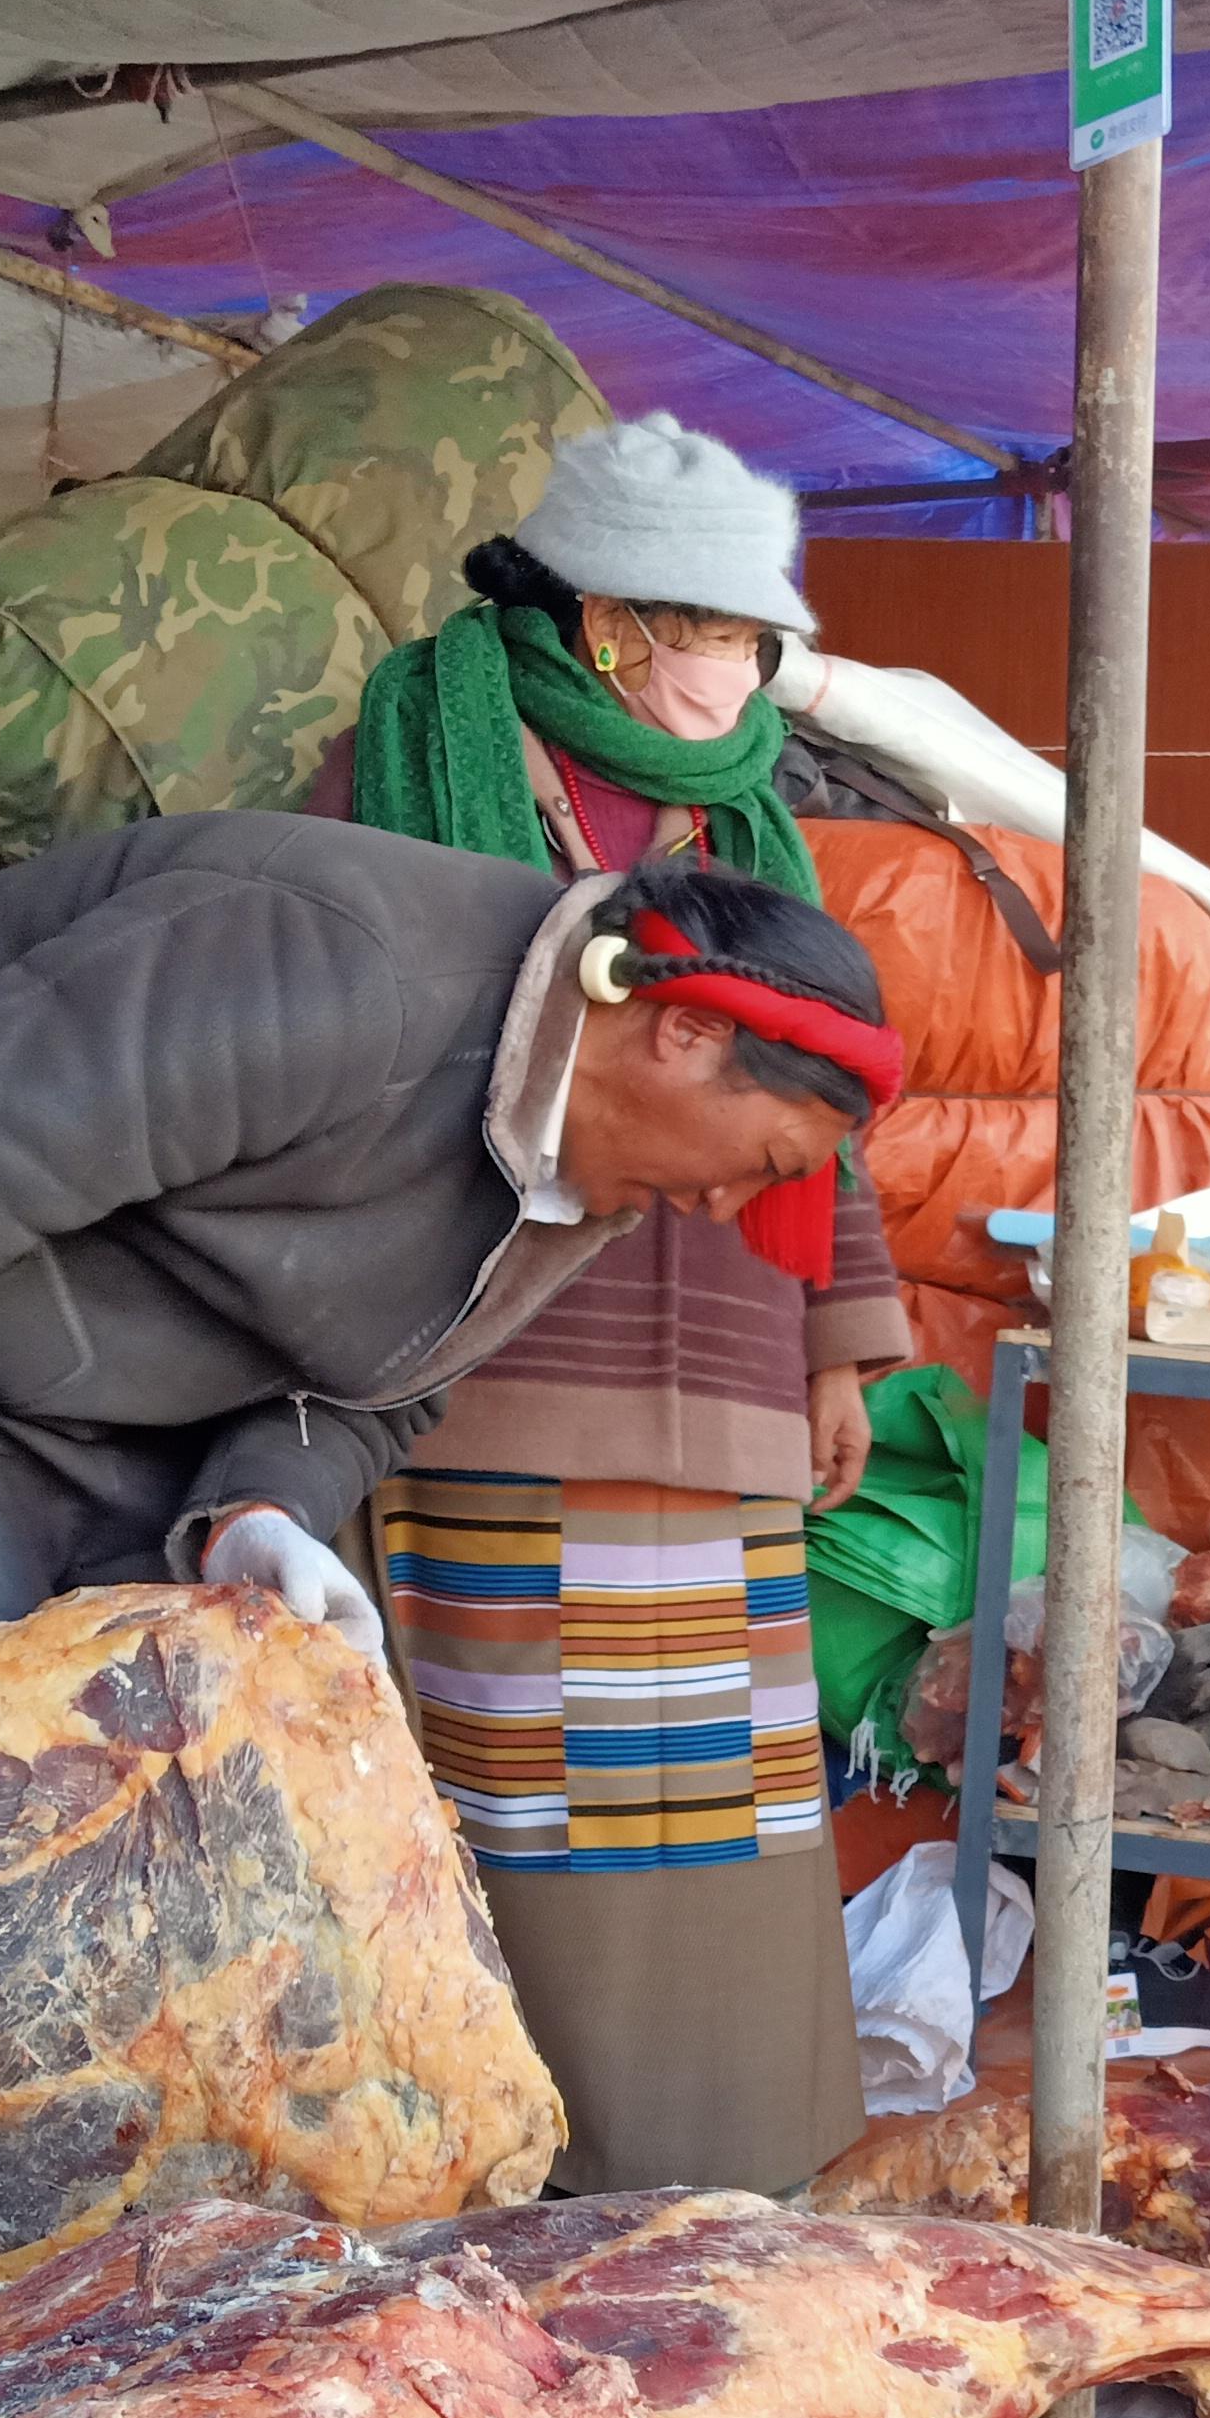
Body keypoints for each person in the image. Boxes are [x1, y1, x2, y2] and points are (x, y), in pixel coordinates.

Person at [0, 833, 901, 1792]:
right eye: (760, 1167)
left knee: (165, 1779)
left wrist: (259, 1511)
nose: (725, 1213)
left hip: (80, 1353)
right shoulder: (332, 963)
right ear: (683, 1031)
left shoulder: (592, 1168)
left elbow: (386, 1383)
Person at [344, 416, 917, 2190]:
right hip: (495, 1363)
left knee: (730, 1808)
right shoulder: (415, 755)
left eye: (755, 642)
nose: (737, 674)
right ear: (605, 620)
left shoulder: (744, 809)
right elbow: (353, 1057)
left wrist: (839, 1347)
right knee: (519, 1803)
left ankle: (732, 2193)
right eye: (711, 633)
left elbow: (822, 1097)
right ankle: (533, 2194)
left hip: (730, 1343)